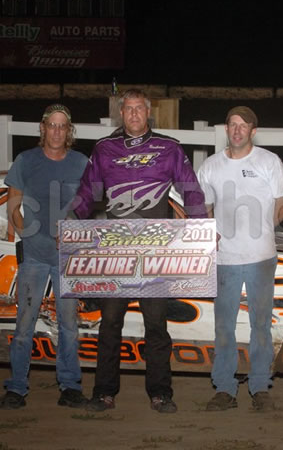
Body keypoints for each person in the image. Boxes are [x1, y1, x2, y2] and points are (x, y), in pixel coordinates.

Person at [70, 88, 207, 413]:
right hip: (116, 250)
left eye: (139, 108)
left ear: (148, 113)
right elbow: (87, 192)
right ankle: (103, 393)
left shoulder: (169, 148)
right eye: (128, 109)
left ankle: (160, 393)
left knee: (156, 324)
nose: (133, 114)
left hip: (155, 250)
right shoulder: (104, 149)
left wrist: (200, 227)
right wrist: (71, 224)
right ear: (121, 113)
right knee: (110, 322)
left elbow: (190, 188)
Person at [197, 106, 283, 412]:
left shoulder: (268, 161)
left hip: (260, 257)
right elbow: (204, 208)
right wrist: (208, 232)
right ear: (226, 129)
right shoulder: (210, 167)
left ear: (253, 130)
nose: (237, 130)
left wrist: (266, 227)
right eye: (232, 124)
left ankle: (260, 386)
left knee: (260, 324)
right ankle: (225, 388)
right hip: (224, 259)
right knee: (223, 326)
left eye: (243, 125)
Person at [0, 104, 89, 410]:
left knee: (69, 325)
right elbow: (13, 206)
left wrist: (73, 231)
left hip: (67, 258)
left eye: (63, 126)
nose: (57, 131)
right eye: (52, 125)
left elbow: (87, 205)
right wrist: (28, 234)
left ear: (69, 131)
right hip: (34, 257)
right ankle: (16, 387)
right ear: (42, 128)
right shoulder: (26, 161)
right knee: (24, 324)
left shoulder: (81, 163)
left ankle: (70, 386)